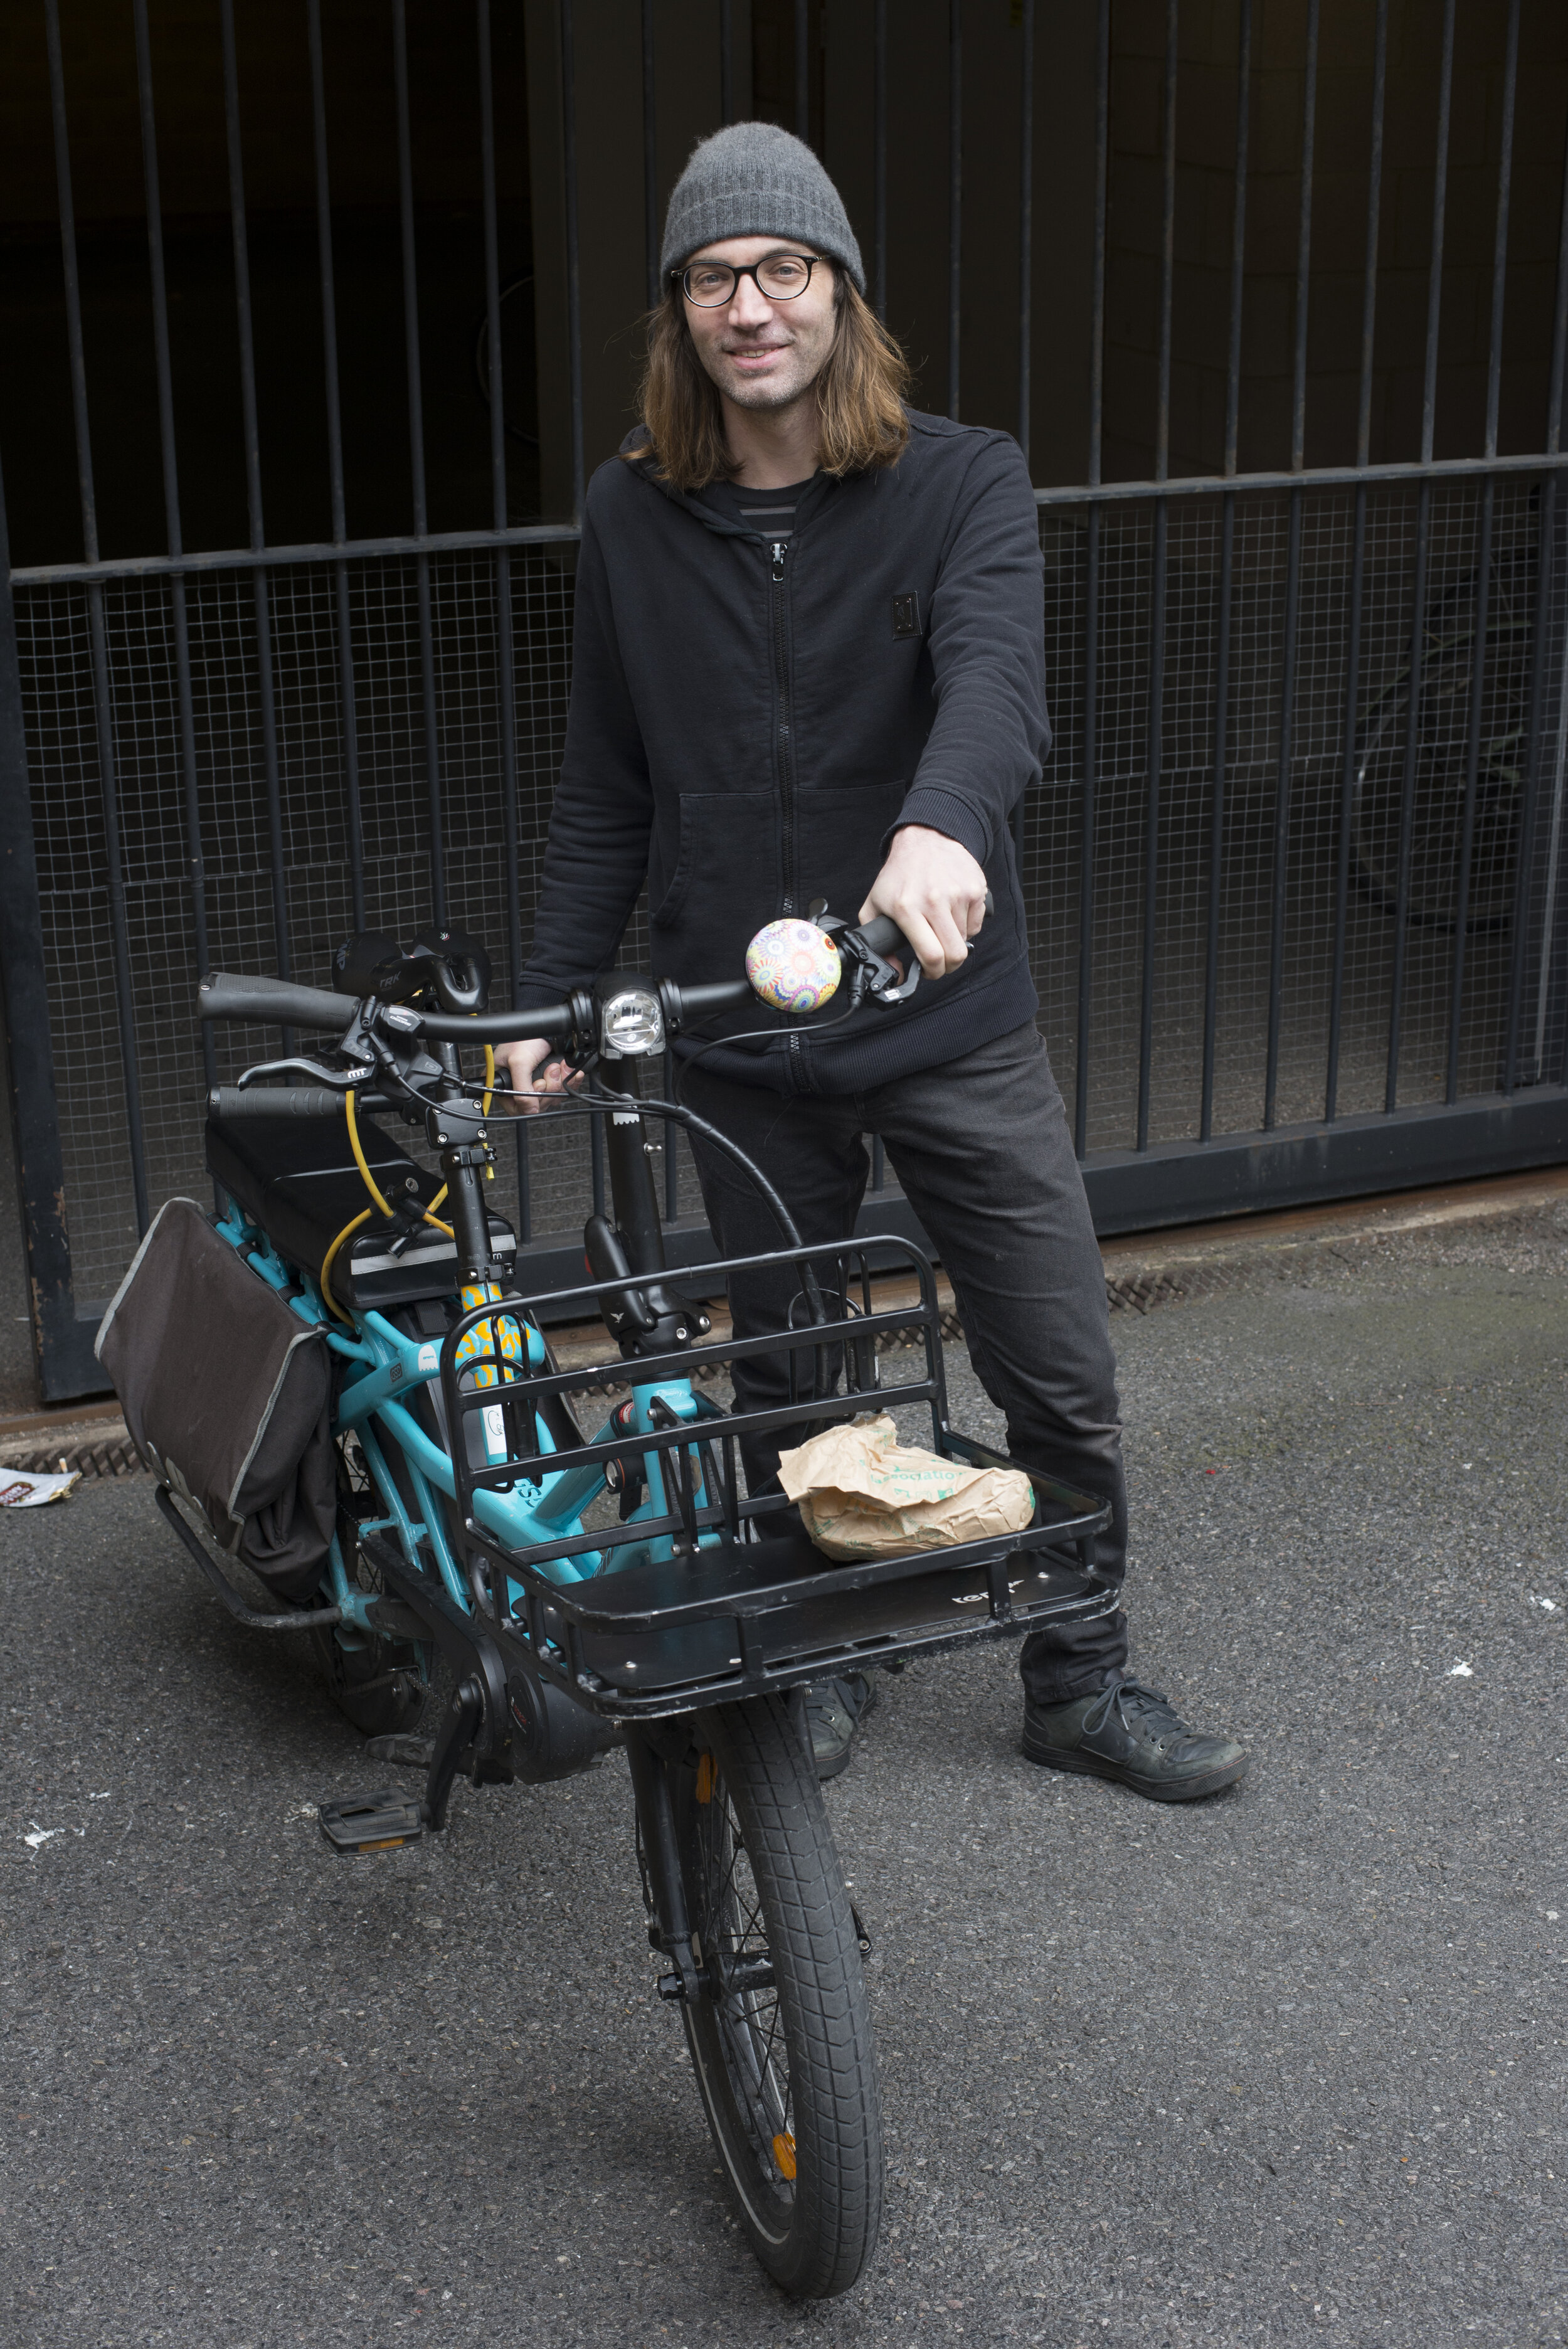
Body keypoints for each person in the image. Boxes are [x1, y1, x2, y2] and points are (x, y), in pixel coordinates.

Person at [497, 122, 1247, 1804]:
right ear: (678, 313)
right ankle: (820, 1667)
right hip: (735, 1035)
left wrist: (937, 835)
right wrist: (558, 993)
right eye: (714, 279)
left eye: (784, 271)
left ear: (840, 292)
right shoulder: (633, 513)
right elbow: (605, 780)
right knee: (780, 1368)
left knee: (1052, 1351)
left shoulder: (961, 480)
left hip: (941, 1009)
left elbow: (996, 692)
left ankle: (1080, 1671)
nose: (750, 307)